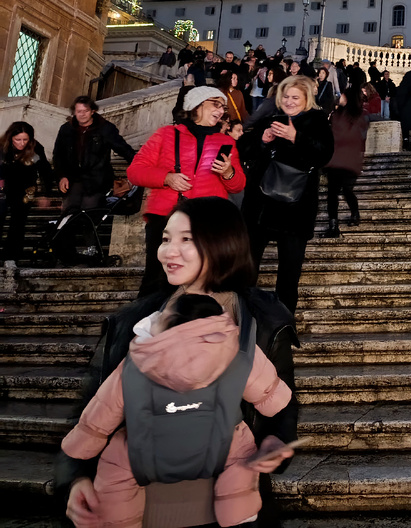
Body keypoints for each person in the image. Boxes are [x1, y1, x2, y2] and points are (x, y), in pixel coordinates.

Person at [60, 197, 298, 528]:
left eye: (186, 239)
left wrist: (275, 442)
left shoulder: (262, 321)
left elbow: (282, 405)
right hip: (139, 509)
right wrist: (77, 477)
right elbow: (92, 411)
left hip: (228, 508)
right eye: (166, 238)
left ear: (221, 243)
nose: (168, 251)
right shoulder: (136, 320)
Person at [60, 291, 292, 528]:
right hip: (219, 443)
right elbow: (270, 392)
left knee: (116, 470)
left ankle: (119, 521)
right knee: (240, 460)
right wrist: (277, 402)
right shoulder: (235, 350)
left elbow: (104, 408)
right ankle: (238, 510)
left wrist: (81, 447)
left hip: (146, 450)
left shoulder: (139, 358)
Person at [127, 87, 246, 296]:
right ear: (197, 105)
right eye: (215, 104)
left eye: (223, 107)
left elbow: (238, 185)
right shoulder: (166, 134)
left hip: (207, 222)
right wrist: (166, 178)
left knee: (203, 281)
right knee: (157, 281)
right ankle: (145, 326)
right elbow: (135, 172)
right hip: (165, 218)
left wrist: (228, 172)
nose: (221, 111)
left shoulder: (226, 142)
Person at [243, 75, 334, 312]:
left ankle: (282, 327)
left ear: (307, 99)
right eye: (285, 96)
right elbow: (243, 148)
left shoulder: (317, 121)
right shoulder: (270, 119)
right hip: (260, 206)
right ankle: (243, 318)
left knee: (289, 275)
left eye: (295, 97)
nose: (289, 101)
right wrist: (262, 140)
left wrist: (296, 137)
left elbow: (324, 155)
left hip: (295, 208)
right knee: (246, 271)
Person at [52, 96, 136, 217]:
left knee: (89, 215)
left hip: (97, 180)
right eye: (79, 111)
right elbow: (58, 155)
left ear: (92, 111)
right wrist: (62, 176)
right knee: (68, 215)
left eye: (85, 111)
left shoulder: (106, 128)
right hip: (73, 178)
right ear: (74, 112)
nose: (82, 114)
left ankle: (89, 234)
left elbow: (123, 148)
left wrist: (138, 165)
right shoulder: (66, 129)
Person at [1, 121, 53, 264]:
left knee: (18, 223)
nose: (22, 143)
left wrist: (45, 194)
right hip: (4, 188)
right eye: (18, 140)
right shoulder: (2, 148)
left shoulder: (36, 148)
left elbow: (46, 172)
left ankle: (12, 256)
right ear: (11, 137)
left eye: (25, 139)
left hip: (25, 190)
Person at [324, 87, 369, 238]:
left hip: (338, 159)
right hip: (349, 160)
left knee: (334, 193)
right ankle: (353, 215)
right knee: (345, 190)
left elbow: (335, 136)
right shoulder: (359, 116)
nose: (340, 97)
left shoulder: (339, 115)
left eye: (342, 95)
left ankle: (334, 225)